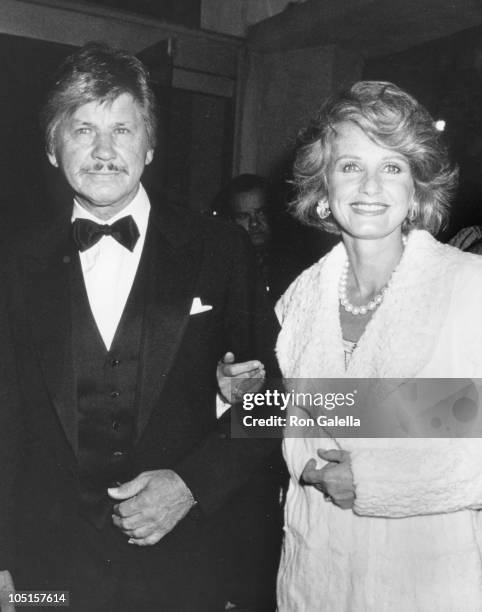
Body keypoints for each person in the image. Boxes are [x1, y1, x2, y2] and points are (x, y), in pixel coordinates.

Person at [1, 42, 281, 612]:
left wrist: (191, 485)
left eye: (122, 130)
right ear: (53, 148)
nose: (104, 151)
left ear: (150, 144)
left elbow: (277, 400)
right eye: (82, 130)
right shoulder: (13, 261)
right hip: (43, 573)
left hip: (184, 571)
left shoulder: (220, 248)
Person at [221, 81, 482, 611]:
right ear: (322, 186)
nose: (370, 186)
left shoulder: (467, 287)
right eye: (349, 166)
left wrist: (377, 480)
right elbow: (314, 420)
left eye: (392, 167)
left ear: (417, 187)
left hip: (423, 584)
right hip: (313, 579)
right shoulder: (300, 298)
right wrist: (243, 396)